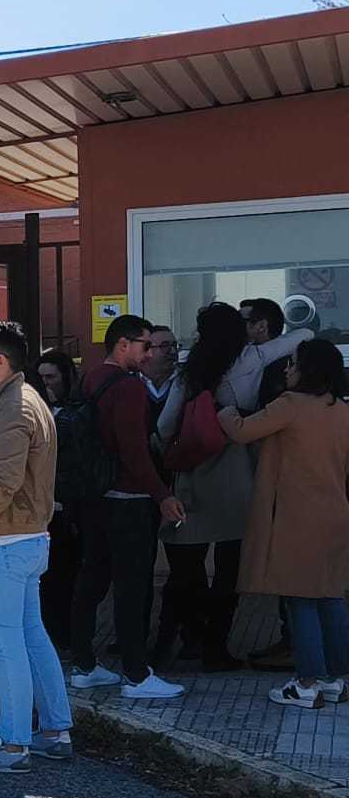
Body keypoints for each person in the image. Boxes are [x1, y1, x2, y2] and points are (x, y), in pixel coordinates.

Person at [0, 321, 74, 773]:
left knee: (5, 645)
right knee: (30, 635)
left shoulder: (12, 407)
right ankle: (54, 732)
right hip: (23, 539)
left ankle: (11, 745)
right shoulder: (22, 399)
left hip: (3, 542)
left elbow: (2, 478)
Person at [218, 339, 349, 708]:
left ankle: (306, 682)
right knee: (330, 596)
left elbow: (241, 431)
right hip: (335, 515)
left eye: (292, 363)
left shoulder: (290, 404)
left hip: (298, 517)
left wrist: (224, 409)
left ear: (309, 369)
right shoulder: (341, 409)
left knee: (300, 599)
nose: (287, 369)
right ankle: (335, 678)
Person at [66, 314, 186, 701]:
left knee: (91, 580)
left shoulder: (91, 378)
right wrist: (162, 495)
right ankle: (136, 674)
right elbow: (134, 450)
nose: (150, 353)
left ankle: (84, 665)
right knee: (132, 588)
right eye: (145, 345)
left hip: (94, 496)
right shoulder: (130, 387)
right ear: (124, 344)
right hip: (129, 501)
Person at [150, 303, 253, 671]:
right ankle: (216, 647)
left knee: (185, 568)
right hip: (239, 475)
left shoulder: (189, 374)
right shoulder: (249, 366)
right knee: (228, 570)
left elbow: (165, 427)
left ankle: (174, 641)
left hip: (194, 475)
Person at [31, 348, 81, 651]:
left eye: (51, 377)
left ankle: (66, 636)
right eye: (42, 378)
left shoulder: (76, 411)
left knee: (66, 575)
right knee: (46, 577)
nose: (47, 383)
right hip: (40, 505)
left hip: (67, 503)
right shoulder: (33, 410)